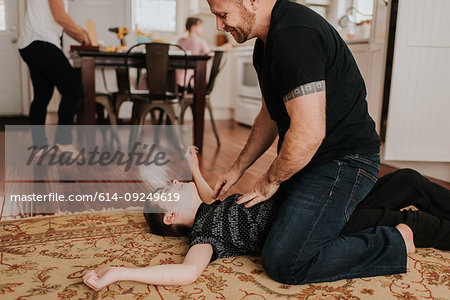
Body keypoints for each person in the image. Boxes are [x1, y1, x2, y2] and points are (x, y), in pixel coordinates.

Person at [206, 0, 413, 284]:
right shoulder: (265, 46)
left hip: (345, 160)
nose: (219, 25)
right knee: (288, 227)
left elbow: (308, 134)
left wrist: (268, 182)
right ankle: (399, 190)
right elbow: (269, 115)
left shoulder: (295, 34)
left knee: (284, 260)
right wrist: (237, 168)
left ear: (252, 1)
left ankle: (396, 240)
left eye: (222, 14)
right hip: (310, 161)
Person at [82, 148, 450, 291]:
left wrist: (194, 167)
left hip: (318, 196)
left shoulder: (212, 207)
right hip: (314, 221)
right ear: (171, 217)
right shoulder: (205, 236)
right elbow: (186, 274)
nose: (176, 182)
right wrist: (121, 272)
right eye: (170, 190)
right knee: (405, 222)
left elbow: (208, 195)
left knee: (408, 180)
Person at [18, 0, 91, 149]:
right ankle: (63, 143)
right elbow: (60, 17)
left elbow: (60, 22)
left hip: (30, 43)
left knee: (42, 95)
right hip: (42, 42)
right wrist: (84, 34)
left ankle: (40, 148)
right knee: (73, 89)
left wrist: (83, 37)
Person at [176, 17, 232, 90]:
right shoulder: (200, 42)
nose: (203, 29)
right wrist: (222, 48)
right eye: (201, 26)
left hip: (177, 77)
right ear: (193, 27)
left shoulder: (180, 41)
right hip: (192, 78)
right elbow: (210, 55)